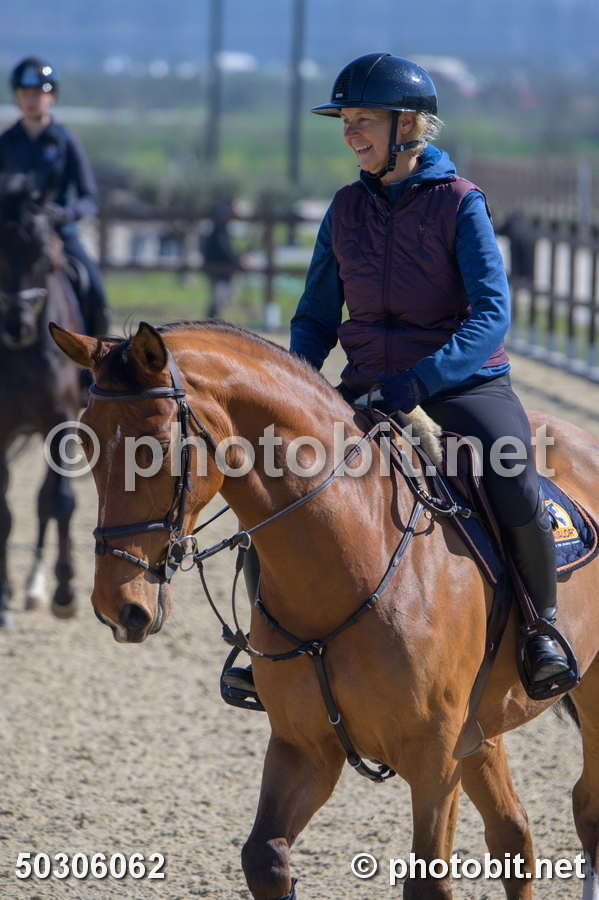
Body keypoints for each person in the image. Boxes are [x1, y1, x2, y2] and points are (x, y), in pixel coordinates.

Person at [224, 52, 573, 700]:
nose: (350, 133)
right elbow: (315, 315)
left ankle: (539, 628)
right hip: (366, 385)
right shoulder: (343, 208)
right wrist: (299, 383)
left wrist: (423, 379)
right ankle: (265, 645)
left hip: (460, 384)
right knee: (273, 489)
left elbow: (491, 314)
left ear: (406, 125)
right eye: (345, 121)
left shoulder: (460, 203)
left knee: (512, 476)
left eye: (362, 120)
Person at [0, 56, 110, 336]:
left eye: (38, 93)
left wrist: (66, 214)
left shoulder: (65, 141)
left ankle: (97, 353)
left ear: (52, 97)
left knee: (95, 288)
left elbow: (89, 198)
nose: (31, 100)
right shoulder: (6, 142)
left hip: (59, 234)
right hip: (12, 237)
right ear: (17, 97)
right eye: (25, 93)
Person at [201, 203, 239, 318]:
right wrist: (235, 260)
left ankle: (212, 318)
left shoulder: (218, 229)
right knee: (220, 297)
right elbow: (224, 249)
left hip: (220, 266)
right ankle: (211, 319)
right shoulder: (218, 230)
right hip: (219, 267)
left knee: (221, 297)